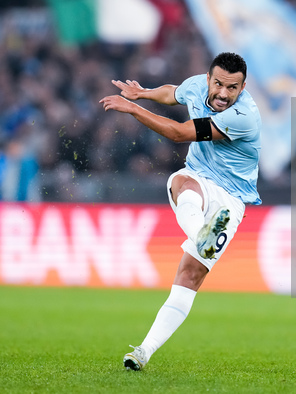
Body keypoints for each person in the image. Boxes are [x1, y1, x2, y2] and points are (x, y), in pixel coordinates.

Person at [100, 52, 262, 371]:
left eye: (232, 88)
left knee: (190, 276)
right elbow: (173, 92)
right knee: (184, 183)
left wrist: (133, 108)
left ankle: (145, 349)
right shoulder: (195, 86)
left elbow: (178, 134)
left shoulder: (243, 117)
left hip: (231, 201)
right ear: (207, 79)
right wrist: (145, 93)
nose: (223, 94)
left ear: (242, 89)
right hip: (199, 178)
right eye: (218, 84)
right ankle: (143, 351)